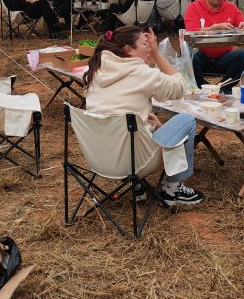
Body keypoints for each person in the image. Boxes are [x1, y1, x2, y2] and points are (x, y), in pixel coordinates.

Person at [84, 26, 204, 206]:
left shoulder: (96, 71)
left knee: (139, 123)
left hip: (100, 158)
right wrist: (156, 54)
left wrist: (145, 119)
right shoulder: (142, 73)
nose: (149, 47)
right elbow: (180, 87)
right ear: (128, 49)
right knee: (186, 119)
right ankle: (173, 189)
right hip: (135, 162)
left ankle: (137, 186)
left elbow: (114, 108)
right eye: (145, 44)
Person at [184, 0, 244, 93]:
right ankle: (203, 89)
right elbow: (191, 31)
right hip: (201, 57)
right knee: (187, 55)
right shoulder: (194, 7)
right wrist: (215, 28)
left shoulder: (231, 8)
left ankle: (223, 89)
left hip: (225, 58)